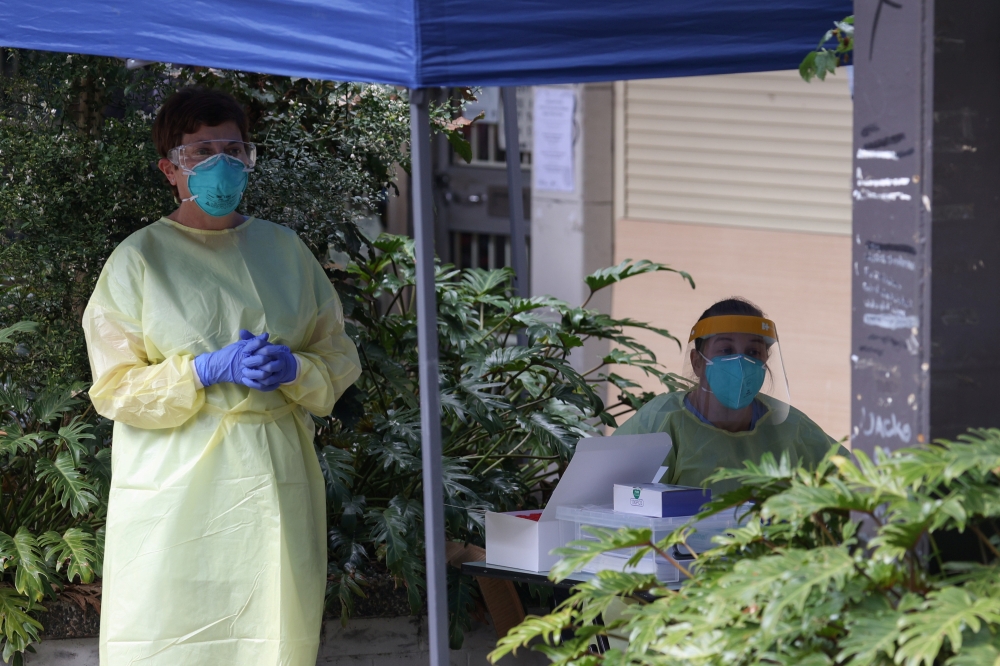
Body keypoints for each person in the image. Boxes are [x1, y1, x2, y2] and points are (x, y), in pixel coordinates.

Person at [82, 86, 362, 666]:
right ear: (171, 169)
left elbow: (336, 356)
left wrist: (296, 368)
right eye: (202, 151)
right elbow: (114, 388)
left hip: (272, 477)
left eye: (232, 149)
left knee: (271, 629)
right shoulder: (139, 260)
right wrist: (203, 370)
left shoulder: (284, 251)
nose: (221, 165)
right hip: (174, 487)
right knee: (165, 633)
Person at [614, 298, 836, 495]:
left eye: (753, 352)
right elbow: (608, 504)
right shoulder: (659, 421)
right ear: (697, 362)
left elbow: (854, 483)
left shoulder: (790, 427)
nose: (740, 363)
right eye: (726, 350)